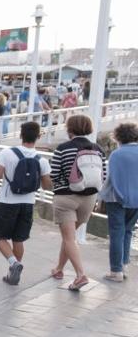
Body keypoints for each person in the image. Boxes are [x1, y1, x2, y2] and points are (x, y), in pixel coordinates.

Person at [0, 121, 53, 286]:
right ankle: (13, 273)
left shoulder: (7, 153)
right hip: (27, 203)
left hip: (6, 201)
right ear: (38, 137)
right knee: (18, 239)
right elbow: (47, 186)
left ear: (21, 135)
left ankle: (13, 263)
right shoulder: (41, 160)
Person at [51, 114, 108, 291]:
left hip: (66, 197)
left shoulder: (63, 148)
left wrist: (63, 186)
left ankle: (80, 275)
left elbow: (54, 174)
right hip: (89, 199)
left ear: (70, 129)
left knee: (69, 238)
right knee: (70, 238)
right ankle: (59, 269)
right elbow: (103, 175)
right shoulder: (98, 149)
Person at [101, 122, 138, 281]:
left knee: (117, 233)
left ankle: (116, 271)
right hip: (136, 200)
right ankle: (124, 266)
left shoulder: (117, 154)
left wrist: (100, 197)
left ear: (118, 137)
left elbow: (111, 179)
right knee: (128, 231)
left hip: (116, 199)